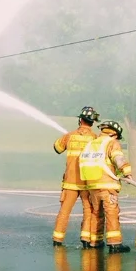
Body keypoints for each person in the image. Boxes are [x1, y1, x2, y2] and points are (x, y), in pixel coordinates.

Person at [78, 121, 132, 253]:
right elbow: (118, 158)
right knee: (111, 213)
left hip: (91, 185)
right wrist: (127, 172)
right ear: (114, 134)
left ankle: (95, 241)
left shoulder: (91, 144)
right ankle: (115, 244)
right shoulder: (112, 143)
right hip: (107, 185)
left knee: (96, 213)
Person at [51, 105, 100, 247]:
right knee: (88, 210)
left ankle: (57, 239)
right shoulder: (95, 139)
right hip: (87, 181)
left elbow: (57, 148)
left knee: (64, 211)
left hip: (70, 182)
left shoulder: (69, 136)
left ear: (80, 120)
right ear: (92, 122)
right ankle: (85, 239)